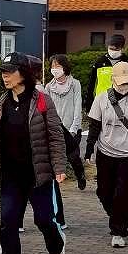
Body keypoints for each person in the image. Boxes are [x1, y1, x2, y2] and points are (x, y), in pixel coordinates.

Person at [0, 52, 68, 254]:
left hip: (38, 174)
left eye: (10, 72)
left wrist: (59, 167)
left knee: (44, 219)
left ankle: (57, 245)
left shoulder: (42, 101)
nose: (5, 77)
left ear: (23, 74)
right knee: (8, 220)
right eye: (3, 72)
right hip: (11, 176)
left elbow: (55, 137)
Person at [84, 61, 128, 248]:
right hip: (106, 151)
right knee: (104, 191)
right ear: (112, 80)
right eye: (120, 82)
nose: (123, 86)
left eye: (127, 83)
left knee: (123, 193)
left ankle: (118, 230)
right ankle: (116, 216)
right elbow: (94, 126)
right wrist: (89, 149)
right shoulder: (102, 99)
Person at [46, 53, 86, 190]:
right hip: (56, 127)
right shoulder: (49, 87)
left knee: (73, 156)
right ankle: (54, 180)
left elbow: (77, 104)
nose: (55, 69)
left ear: (65, 67)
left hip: (71, 126)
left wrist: (74, 127)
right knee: (54, 156)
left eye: (58, 66)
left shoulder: (75, 84)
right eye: (52, 66)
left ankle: (80, 175)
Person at [84, 33, 128, 105]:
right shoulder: (99, 62)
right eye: (110, 48)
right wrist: (88, 103)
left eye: (116, 49)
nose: (113, 51)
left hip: (122, 102)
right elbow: (91, 84)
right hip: (101, 101)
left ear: (122, 48)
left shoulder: (127, 63)